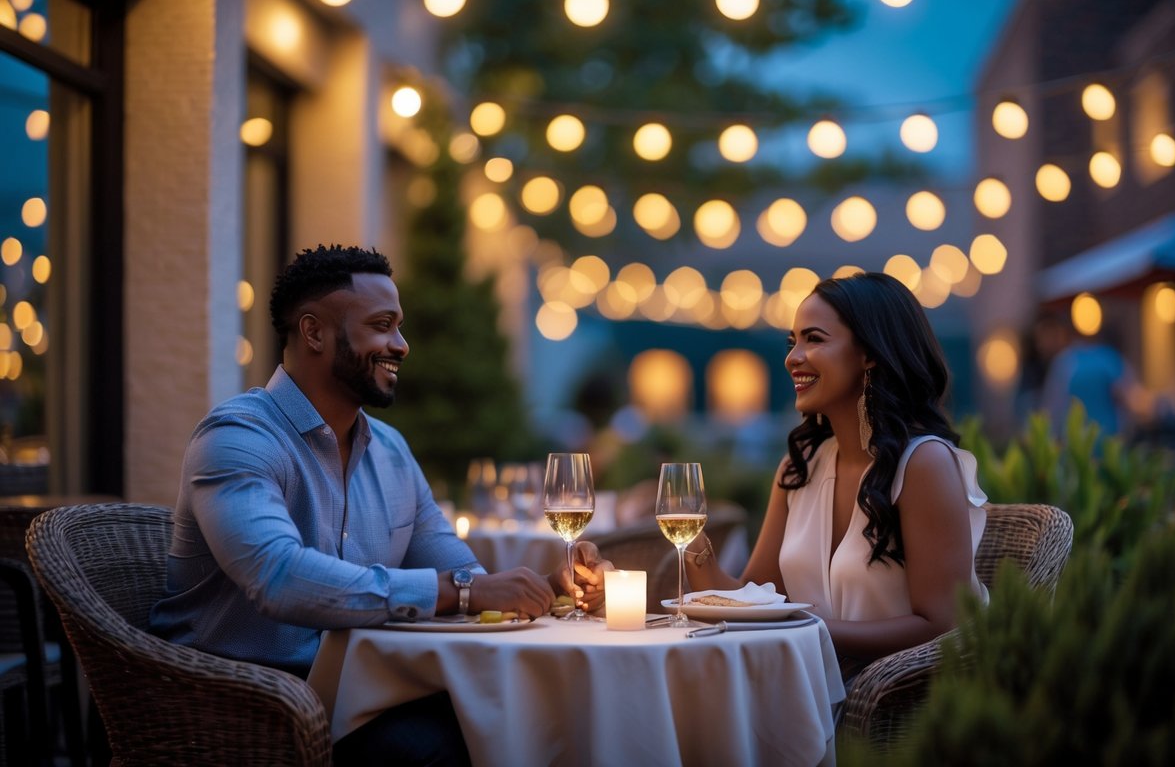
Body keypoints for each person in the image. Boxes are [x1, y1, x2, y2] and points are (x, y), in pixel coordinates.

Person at [150, 245, 609, 766]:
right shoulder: (237, 438)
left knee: (536, 724)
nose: (402, 345)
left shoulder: (390, 450)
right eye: (383, 325)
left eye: (400, 326)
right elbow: (277, 576)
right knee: (457, 747)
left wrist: (548, 589)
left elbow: (459, 574)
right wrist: (462, 592)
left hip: (363, 696)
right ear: (314, 332)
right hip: (244, 708)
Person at [682, 272, 988, 676]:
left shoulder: (923, 464)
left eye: (814, 339)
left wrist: (803, 627)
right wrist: (691, 544)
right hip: (806, 683)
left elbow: (942, 624)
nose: (793, 358)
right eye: (793, 342)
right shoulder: (800, 467)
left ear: (870, 353)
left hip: (897, 699)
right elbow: (754, 598)